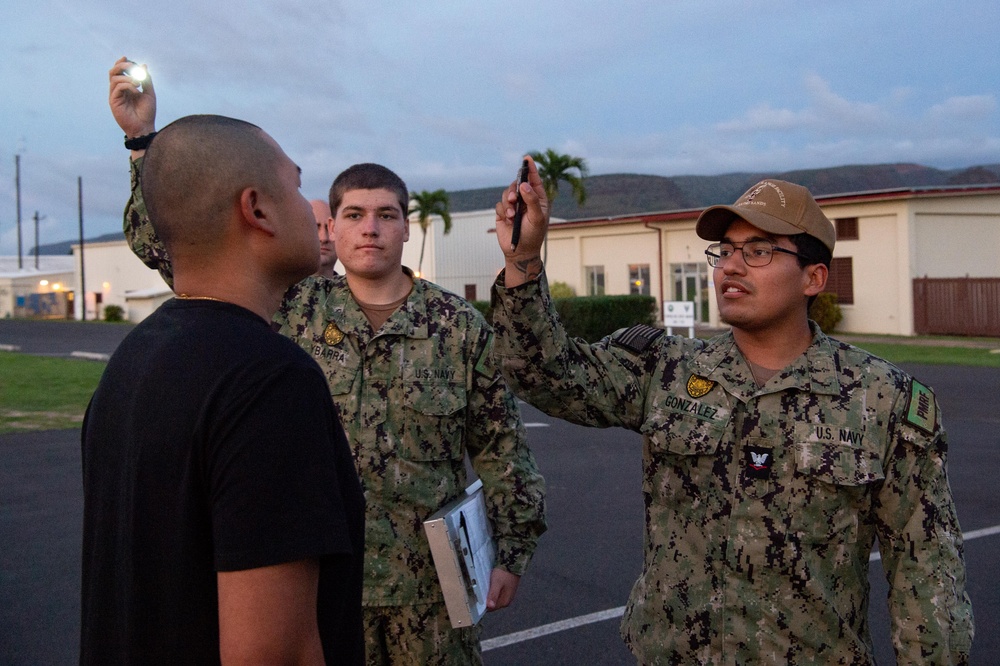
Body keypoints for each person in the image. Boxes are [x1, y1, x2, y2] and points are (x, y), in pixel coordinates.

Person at [109, 61, 546, 666]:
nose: (371, 230)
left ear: (406, 228)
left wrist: (512, 550)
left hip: (431, 599)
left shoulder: (458, 326)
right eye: (354, 215)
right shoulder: (288, 308)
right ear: (331, 229)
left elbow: (502, 447)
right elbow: (175, 240)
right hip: (316, 592)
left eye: (386, 215)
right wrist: (142, 146)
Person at [491, 161, 974, 664]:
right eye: (725, 252)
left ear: (813, 277)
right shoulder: (668, 368)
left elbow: (926, 572)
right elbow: (542, 372)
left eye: (759, 251)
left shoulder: (884, 400)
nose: (730, 267)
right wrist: (523, 259)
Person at [86, 72, 365, 666]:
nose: (314, 216)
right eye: (295, 188)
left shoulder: (131, 362)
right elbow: (273, 653)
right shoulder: (269, 381)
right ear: (257, 209)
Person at [312, 198, 338, 277]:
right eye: (315, 227)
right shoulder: (276, 288)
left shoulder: (361, 289)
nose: (324, 238)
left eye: (331, 229)